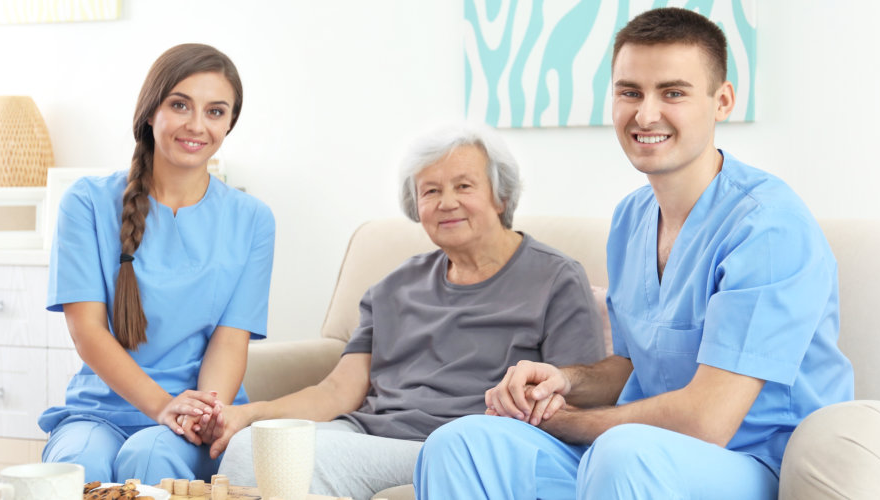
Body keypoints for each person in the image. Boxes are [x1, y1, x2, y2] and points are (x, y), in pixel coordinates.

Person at [415, 8, 854, 500]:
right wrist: (562, 381)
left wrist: (570, 422)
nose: (646, 114)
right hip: (632, 457)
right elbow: (632, 366)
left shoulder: (769, 228)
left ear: (722, 102)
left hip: (752, 463)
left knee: (622, 452)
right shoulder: (631, 218)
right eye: (630, 92)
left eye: (673, 92)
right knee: (460, 443)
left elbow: (708, 421)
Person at [174, 123, 605, 500]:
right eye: (430, 190)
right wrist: (247, 415)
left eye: (464, 186)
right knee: (251, 446)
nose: (447, 202)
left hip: (451, 445)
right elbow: (336, 392)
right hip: (367, 432)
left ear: (500, 196)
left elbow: (577, 394)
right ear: (415, 207)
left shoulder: (555, 279)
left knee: (306, 461)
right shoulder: (394, 285)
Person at [39, 43, 273, 485]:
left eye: (216, 112)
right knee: (74, 469)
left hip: (194, 416)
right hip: (98, 411)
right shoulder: (86, 203)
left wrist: (198, 412)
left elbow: (229, 342)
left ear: (229, 123)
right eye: (180, 105)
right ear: (150, 111)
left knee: (148, 463)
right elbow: (87, 330)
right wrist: (159, 404)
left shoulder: (252, 220)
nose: (196, 125)